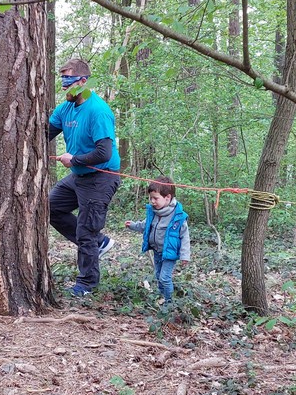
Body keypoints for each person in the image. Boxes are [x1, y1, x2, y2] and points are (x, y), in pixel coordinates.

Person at [49, 58, 121, 297]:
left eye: (67, 80)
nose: (64, 86)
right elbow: (45, 132)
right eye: (62, 80)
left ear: (82, 81)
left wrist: (75, 159)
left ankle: (86, 285)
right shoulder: (66, 108)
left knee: (86, 230)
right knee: (50, 207)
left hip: (102, 177)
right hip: (79, 176)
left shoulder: (98, 110)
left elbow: (104, 153)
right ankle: (99, 243)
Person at [125, 176, 190, 304]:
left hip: (169, 253)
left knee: (164, 278)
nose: (152, 201)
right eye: (151, 198)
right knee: (159, 276)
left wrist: (185, 255)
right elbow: (145, 225)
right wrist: (132, 225)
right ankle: (163, 296)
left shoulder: (178, 217)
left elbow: (185, 237)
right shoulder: (154, 212)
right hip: (157, 251)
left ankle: (169, 302)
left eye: (156, 198)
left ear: (168, 198)